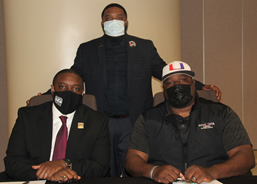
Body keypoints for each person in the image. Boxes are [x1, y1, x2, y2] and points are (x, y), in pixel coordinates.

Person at [26, 3, 221, 177]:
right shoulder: (87, 49)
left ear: (126, 22)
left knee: (135, 170)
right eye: (108, 18)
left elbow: (165, 71)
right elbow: (73, 76)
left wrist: (201, 86)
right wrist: (46, 94)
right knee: (104, 169)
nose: (114, 21)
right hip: (101, 122)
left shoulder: (144, 46)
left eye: (119, 18)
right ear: (102, 23)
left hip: (134, 121)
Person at [125, 61, 255, 184]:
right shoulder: (148, 119)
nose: (176, 85)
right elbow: (132, 159)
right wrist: (153, 171)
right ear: (164, 89)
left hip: (215, 180)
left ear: (193, 84)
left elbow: (246, 156)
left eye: (182, 80)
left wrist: (212, 172)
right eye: (169, 82)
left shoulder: (221, 113)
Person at [4, 69, 110, 181]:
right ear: (52, 89)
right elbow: (13, 161)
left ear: (82, 92)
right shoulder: (28, 117)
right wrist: (48, 173)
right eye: (62, 87)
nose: (69, 92)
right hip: (37, 180)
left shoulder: (96, 121)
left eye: (76, 89)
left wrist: (65, 164)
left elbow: (100, 166)